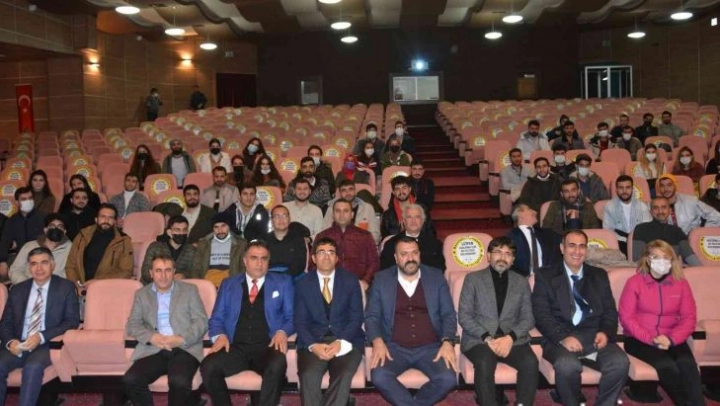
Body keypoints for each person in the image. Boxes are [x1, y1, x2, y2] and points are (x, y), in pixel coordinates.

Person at [532, 230, 629, 406]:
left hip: (593, 336)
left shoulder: (599, 275)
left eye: (582, 246)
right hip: (559, 338)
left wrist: (605, 332)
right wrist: (563, 338)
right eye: (572, 246)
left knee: (620, 362)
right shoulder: (545, 275)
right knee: (567, 365)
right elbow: (541, 314)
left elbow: (609, 311)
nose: (577, 251)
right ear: (562, 248)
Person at [365, 236, 458, 406]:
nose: (410, 258)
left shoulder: (436, 277)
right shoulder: (382, 279)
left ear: (420, 254)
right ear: (396, 258)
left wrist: (447, 342)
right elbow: (372, 316)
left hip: (430, 347)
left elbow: (448, 314)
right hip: (394, 347)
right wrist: (377, 341)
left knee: (448, 378)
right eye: (404, 254)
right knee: (380, 376)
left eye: (414, 253)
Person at [200, 240, 294, 406]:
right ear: (245, 261)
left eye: (264, 258)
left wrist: (283, 331)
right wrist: (220, 335)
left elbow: (292, 316)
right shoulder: (229, 284)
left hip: (267, 346)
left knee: (278, 363)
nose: (259, 263)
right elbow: (216, 318)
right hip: (235, 347)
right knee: (208, 366)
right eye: (254, 258)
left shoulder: (283, 283)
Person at [619, 239, 705, 406]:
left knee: (687, 364)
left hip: (672, 337)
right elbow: (626, 317)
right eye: (656, 257)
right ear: (647, 259)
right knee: (667, 366)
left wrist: (671, 339)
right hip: (639, 339)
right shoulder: (634, 282)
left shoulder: (681, 284)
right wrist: (651, 339)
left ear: (672, 260)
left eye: (666, 257)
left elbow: (689, 318)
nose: (661, 262)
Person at [458, 237, 538, 406]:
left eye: (508, 254)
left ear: (513, 259)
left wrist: (510, 338)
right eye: (498, 252)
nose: (503, 257)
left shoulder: (521, 282)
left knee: (530, 362)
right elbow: (464, 316)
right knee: (485, 361)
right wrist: (487, 338)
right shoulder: (473, 279)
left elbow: (528, 317)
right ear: (488, 256)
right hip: (479, 340)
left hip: (512, 339)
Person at [123, 255, 208, 406]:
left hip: (184, 348)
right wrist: (152, 337)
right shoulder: (142, 294)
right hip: (154, 348)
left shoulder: (189, 290)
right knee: (131, 379)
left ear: (174, 271)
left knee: (178, 381)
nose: (163, 275)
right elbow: (132, 324)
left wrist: (181, 339)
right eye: (158, 271)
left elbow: (201, 322)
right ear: (151, 273)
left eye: (167, 270)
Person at [0, 247, 79, 406]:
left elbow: (72, 321)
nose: (39, 268)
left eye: (44, 263)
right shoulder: (18, 290)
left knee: (33, 367)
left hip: (47, 344)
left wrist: (41, 336)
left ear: (52, 265)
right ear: (29, 267)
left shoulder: (65, 287)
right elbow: (6, 323)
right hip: (19, 343)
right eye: (34, 264)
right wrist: (10, 342)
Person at [294, 237, 364, 406]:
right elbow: (300, 321)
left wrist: (341, 342)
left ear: (337, 258)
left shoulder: (350, 281)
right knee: (308, 375)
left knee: (343, 374)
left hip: (346, 338)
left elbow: (356, 317)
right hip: (313, 340)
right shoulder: (302, 283)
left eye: (331, 252)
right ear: (313, 258)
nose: (326, 256)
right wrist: (313, 345)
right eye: (321, 252)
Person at [64, 203, 134, 288]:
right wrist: (77, 286)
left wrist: (98, 282)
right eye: (103, 216)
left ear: (115, 221)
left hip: (107, 288)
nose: (106, 220)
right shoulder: (82, 236)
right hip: (79, 288)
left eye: (110, 218)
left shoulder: (124, 241)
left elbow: (126, 271)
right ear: (96, 219)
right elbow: (70, 265)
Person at [316, 199, 378, 290]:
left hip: (359, 285)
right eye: (338, 211)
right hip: (329, 286)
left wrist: (366, 281)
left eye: (345, 211)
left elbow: (374, 262)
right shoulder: (322, 236)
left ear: (352, 214)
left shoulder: (365, 236)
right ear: (333, 215)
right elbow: (313, 263)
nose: (341, 215)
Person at [631, 197, 702, 266]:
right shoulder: (641, 229)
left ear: (670, 211)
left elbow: (690, 256)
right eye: (656, 208)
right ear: (651, 212)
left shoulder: (677, 231)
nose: (660, 211)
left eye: (664, 207)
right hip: (650, 270)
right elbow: (638, 259)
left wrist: (703, 270)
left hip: (674, 271)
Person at [10, 213, 72, 285]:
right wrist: (28, 285)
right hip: (27, 287)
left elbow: (73, 273)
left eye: (60, 227)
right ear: (45, 230)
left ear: (64, 232)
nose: (56, 229)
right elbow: (15, 270)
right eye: (52, 226)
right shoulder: (29, 246)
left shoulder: (71, 249)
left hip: (57, 288)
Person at [379, 204, 444, 271]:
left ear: (423, 221)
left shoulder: (434, 244)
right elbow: (385, 269)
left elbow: (440, 269)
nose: (413, 221)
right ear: (404, 221)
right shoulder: (391, 244)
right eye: (409, 217)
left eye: (417, 217)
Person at [0, 187, 46, 280]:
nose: (28, 201)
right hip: (19, 259)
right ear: (17, 202)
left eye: (30, 198)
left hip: (40, 258)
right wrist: (2, 261)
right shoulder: (12, 220)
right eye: (24, 199)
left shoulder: (43, 217)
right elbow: (5, 241)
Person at [193, 212, 247, 287]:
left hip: (231, 280)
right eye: (216, 227)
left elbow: (243, 267)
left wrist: (238, 284)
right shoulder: (204, 243)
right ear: (212, 228)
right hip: (208, 280)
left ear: (229, 226)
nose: (220, 230)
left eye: (223, 226)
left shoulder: (240, 244)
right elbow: (196, 267)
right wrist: (198, 284)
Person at [506, 204, 562, 276]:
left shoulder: (548, 234)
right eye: (529, 209)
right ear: (520, 214)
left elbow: (568, 240)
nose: (535, 212)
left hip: (548, 277)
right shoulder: (511, 237)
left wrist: (572, 220)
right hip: (523, 278)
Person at [655, 173, 720, 234]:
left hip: (690, 238)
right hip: (668, 239)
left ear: (675, 185)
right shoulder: (656, 205)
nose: (666, 189)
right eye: (662, 186)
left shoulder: (690, 201)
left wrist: (701, 232)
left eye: (669, 185)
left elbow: (715, 216)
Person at [139, 215, 197, 284]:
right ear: (169, 232)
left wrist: (184, 275)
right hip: (153, 286)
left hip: (179, 287)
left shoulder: (192, 250)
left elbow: (195, 272)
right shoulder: (155, 247)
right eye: (177, 230)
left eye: (184, 230)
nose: (181, 233)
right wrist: (165, 279)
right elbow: (145, 272)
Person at [602, 175, 652, 254]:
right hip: (618, 243)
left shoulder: (642, 206)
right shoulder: (610, 206)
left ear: (632, 189)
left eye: (628, 187)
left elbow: (647, 228)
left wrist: (632, 241)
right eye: (621, 188)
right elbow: (608, 230)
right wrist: (626, 240)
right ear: (616, 190)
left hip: (639, 242)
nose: (624, 191)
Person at [323, 180, 381, 244]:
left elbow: (375, 234)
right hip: (337, 245)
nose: (348, 193)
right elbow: (325, 233)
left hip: (362, 245)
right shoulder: (331, 209)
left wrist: (359, 243)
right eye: (344, 190)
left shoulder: (367, 208)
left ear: (355, 191)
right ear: (339, 194)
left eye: (350, 189)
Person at [265, 205, 308, 279]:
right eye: (277, 216)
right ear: (271, 220)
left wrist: (284, 277)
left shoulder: (298, 239)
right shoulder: (264, 240)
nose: (281, 220)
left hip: (293, 277)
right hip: (269, 277)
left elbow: (300, 265)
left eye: (284, 216)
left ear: (289, 219)